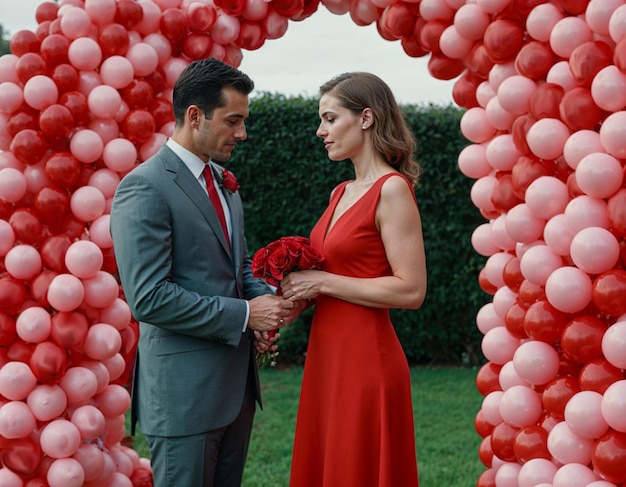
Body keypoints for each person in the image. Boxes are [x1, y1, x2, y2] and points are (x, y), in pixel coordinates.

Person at [110, 57, 294, 487]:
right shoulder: (145, 187)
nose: (243, 133)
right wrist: (247, 316)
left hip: (236, 391)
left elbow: (238, 265)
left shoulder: (224, 182)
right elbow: (149, 297)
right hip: (183, 399)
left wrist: (266, 299)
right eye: (233, 120)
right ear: (195, 116)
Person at [280, 72, 427, 487]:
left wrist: (322, 284)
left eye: (329, 118)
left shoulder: (392, 190)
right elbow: (331, 276)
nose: (320, 131)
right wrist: (289, 304)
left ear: (365, 118)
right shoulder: (339, 192)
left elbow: (411, 289)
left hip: (366, 361)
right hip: (327, 357)